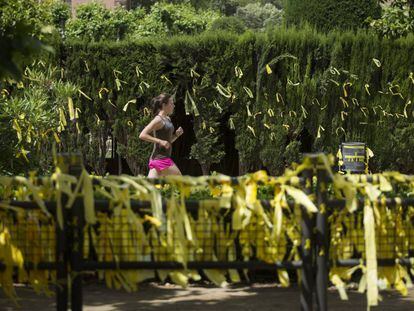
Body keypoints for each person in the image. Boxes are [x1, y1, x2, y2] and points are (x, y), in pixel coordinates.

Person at [139, 93, 184, 178]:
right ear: (164, 105)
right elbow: (142, 135)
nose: (174, 106)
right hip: (160, 159)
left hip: (159, 159)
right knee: (180, 180)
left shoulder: (167, 119)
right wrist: (160, 141)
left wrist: (176, 135)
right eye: (171, 103)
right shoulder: (158, 120)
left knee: (152, 188)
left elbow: (168, 142)